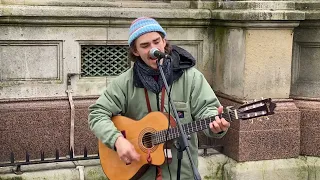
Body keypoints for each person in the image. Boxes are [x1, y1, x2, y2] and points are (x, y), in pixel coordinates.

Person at [88, 17, 230, 180]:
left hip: (182, 174)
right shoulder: (124, 83)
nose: (153, 49)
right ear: (135, 51)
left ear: (164, 41)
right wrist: (117, 140)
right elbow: (96, 114)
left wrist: (216, 126)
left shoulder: (191, 77)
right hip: (140, 174)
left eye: (156, 41)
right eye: (145, 45)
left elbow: (207, 110)